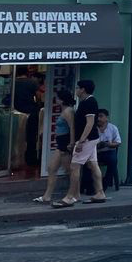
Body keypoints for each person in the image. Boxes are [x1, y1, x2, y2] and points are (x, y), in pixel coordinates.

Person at [54, 79, 106, 207]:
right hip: (90, 139)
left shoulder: (89, 102)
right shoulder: (85, 102)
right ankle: (100, 193)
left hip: (87, 140)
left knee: (74, 166)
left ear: (83, 89)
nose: (76, 90)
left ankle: (70, 196)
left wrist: (81, 140)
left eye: (78, 88)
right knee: (93, 164)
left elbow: (90, 123)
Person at [35, 88, 76, 204]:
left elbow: (72, 127)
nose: (55, 100)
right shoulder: (65, 111)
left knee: (70, 170)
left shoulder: (68, 111)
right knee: (51, 168)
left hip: (65, 143)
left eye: (57, 98)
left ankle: (73, 193)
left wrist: (71, 143)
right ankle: (47, 195)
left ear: (62, 100)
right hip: (61, 143)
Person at [84, 109, 122, 195]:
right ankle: (90, 187)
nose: (98, 119)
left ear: (106, 118)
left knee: (113, 161)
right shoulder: (93, 128)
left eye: (101, 116)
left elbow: (118, 142)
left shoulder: (112, 128)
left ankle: (104, 185)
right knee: (87, 163)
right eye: (97, 116)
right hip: (95, 152)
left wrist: (108, 144)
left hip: (108, 151)